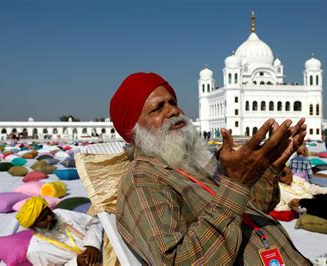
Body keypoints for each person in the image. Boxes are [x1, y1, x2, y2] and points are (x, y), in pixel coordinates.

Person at [110, 72, 310, 265]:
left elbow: (246, 209)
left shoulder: (185, 166)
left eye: (173, 102)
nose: (173, 111)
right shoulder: (143, 181)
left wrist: (269, 169)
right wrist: (237, 184)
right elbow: (176, 261)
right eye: (157, 108)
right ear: (134, 130)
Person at [16, 197, 103, 265]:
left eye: (49, 212)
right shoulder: (36, 251)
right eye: (43, 219)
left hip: (106, 248)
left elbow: (94, 222)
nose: (50, 217)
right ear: (33, 227)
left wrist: (92, 245)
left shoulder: (60, 213)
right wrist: (77, 263)